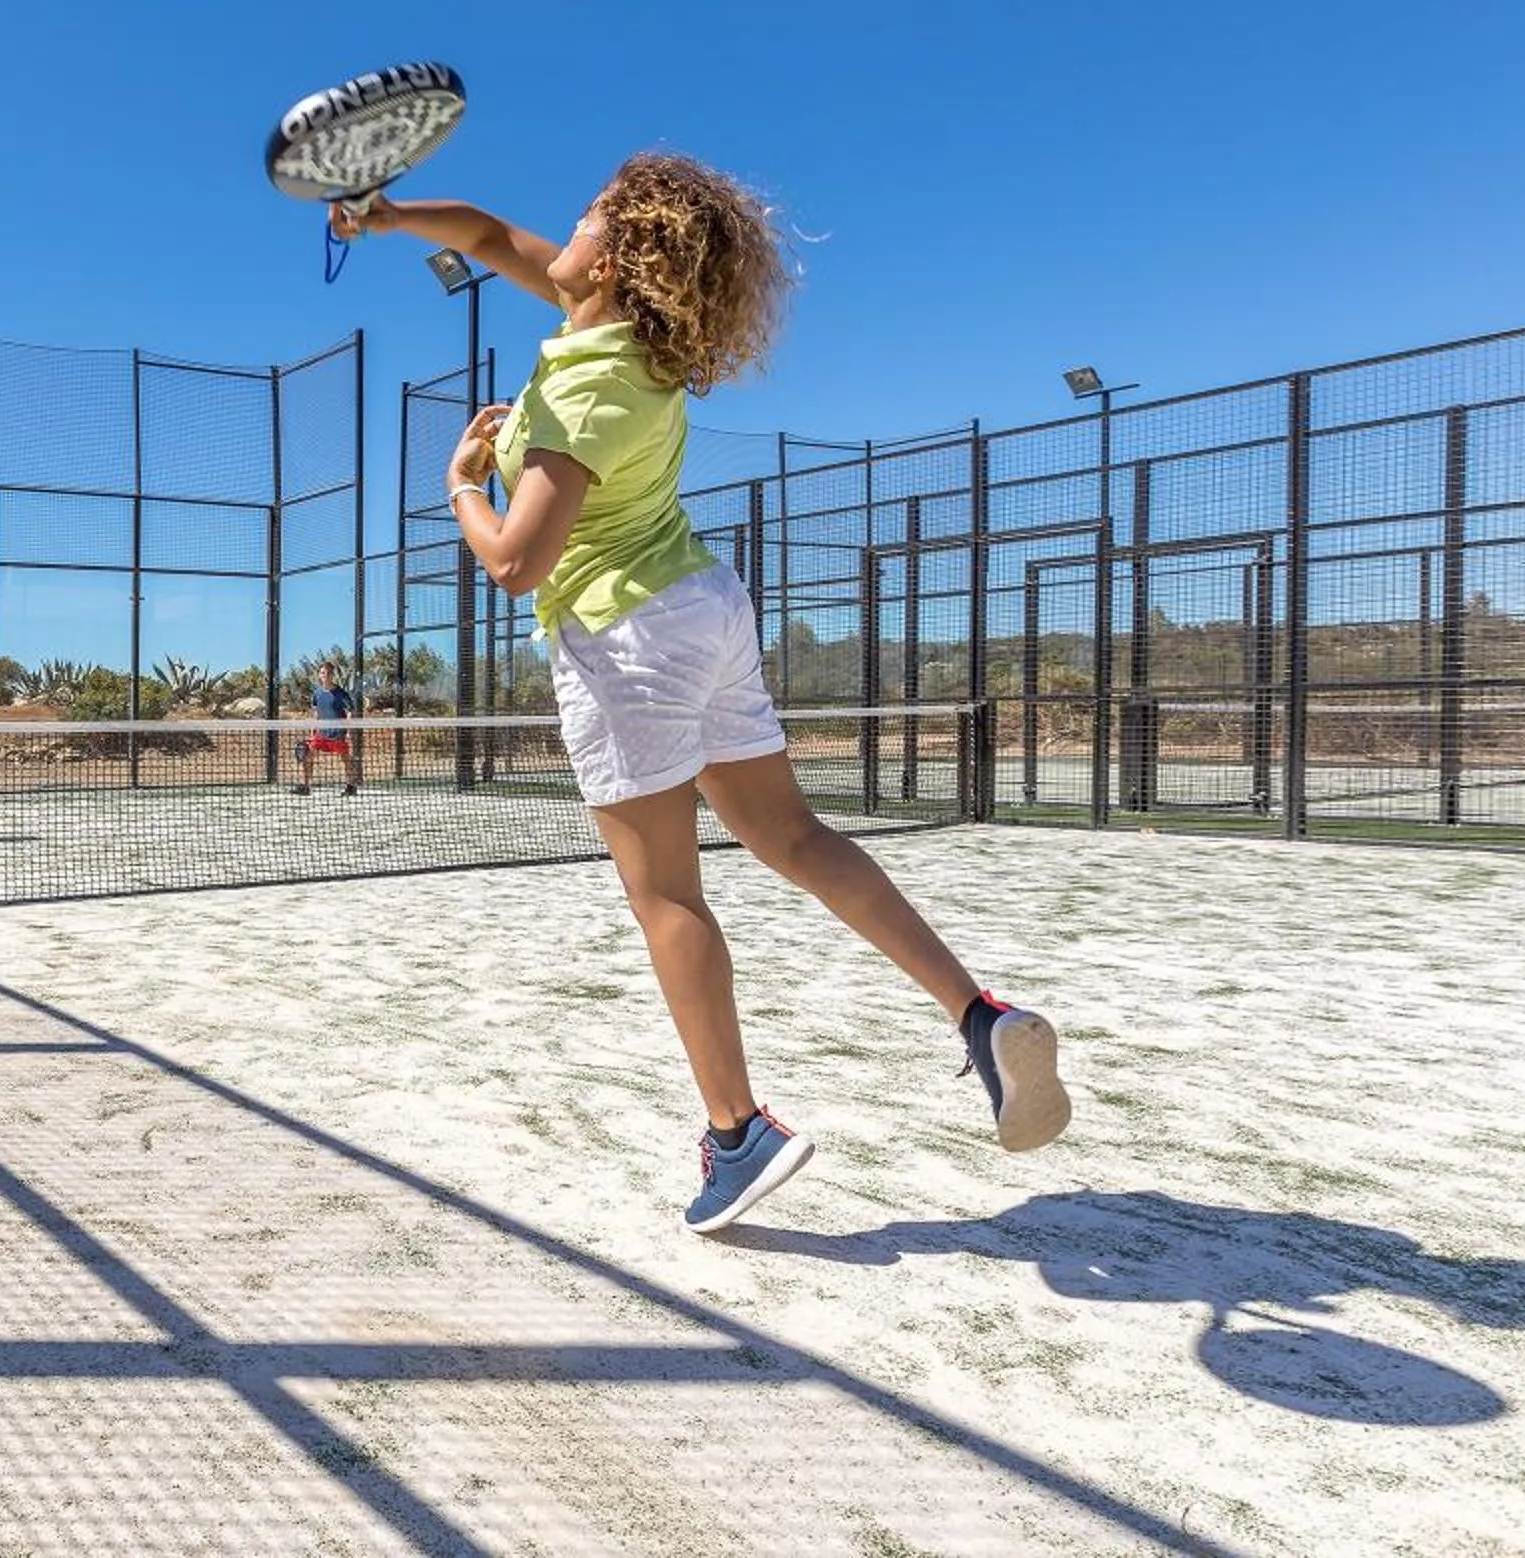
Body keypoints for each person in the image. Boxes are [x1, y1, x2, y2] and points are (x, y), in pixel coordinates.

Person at [333, 156, 1070, 1235]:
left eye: (588, 215)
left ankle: (738, 1134)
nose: (566, 223)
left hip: (627, 638)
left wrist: (460, 485)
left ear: (622, 255)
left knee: (666, 894)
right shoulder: (624, 338)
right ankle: (978, 1013)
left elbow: (516, 565)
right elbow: (489, 234)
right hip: (705, 606)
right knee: (794, 835)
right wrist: (392, 214)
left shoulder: (585, 384)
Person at [293, 658, 361, 796]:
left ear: (333, 675)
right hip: (321, 734)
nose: (326, 676)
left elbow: (349, 712)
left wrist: (347, 730)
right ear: (319, 675)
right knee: (308, 756)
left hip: (337, 734)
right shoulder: (316, 694)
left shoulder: (341, 693)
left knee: (346, 760)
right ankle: (306, 786)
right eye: (323, 673)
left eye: (328, 673)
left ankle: (351, 786)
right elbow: (316, 712)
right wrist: (313, 728)